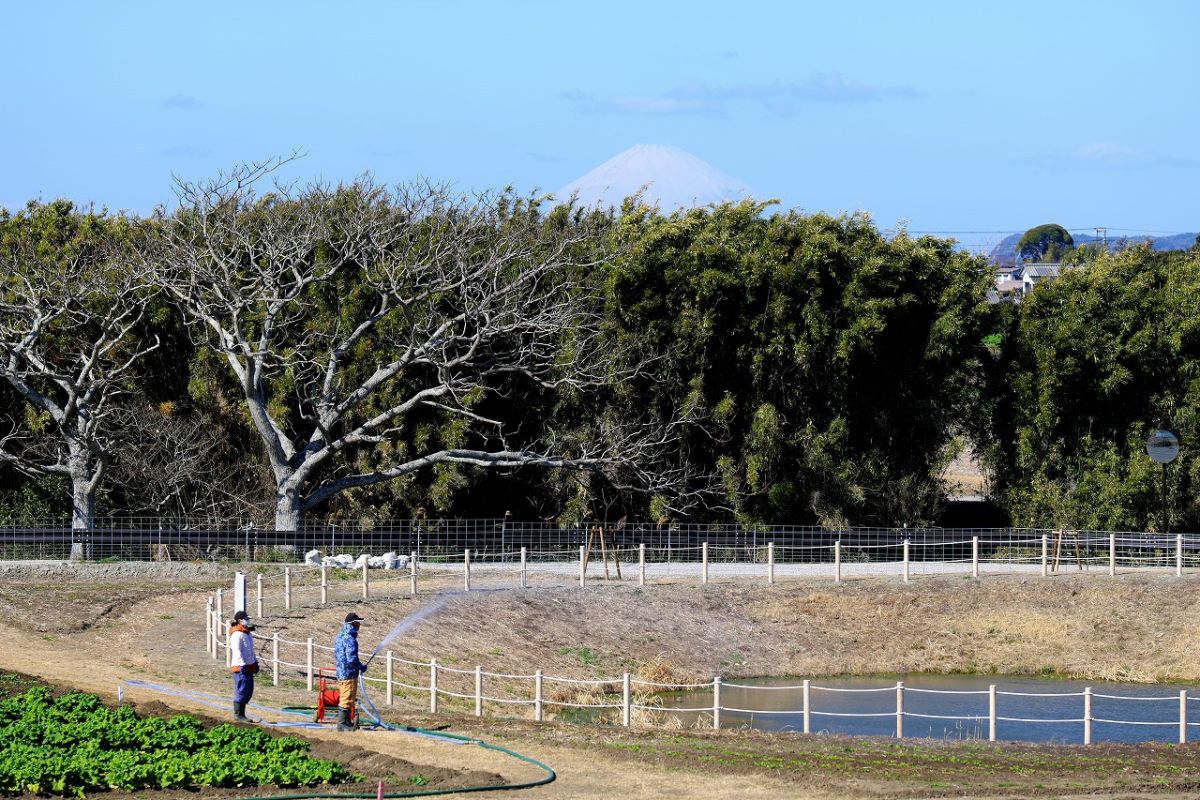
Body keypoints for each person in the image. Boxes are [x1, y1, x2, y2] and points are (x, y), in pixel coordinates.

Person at [333, 612, 368, 731]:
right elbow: (351, 658)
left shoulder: (340, 636)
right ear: (354, 623)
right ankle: (342, 723)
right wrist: (360, 667)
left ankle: (347, 722)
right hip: (349, 673)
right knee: (346, 697)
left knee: (346, 697)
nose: (360, 625)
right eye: (358, 622)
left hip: (341, 672)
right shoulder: (350, 638)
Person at [229, 610, 258, 721]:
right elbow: (237, 651)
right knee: (241, 690)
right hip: (241, 667)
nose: (248, 621)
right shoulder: (237, 634)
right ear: (240, 620)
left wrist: (255, 662)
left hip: (249, 666)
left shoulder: (246, 633)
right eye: (246, 619)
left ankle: (242, 714)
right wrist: (242, 664)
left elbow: (250, 650)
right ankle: (238, 714)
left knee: (248, 690)